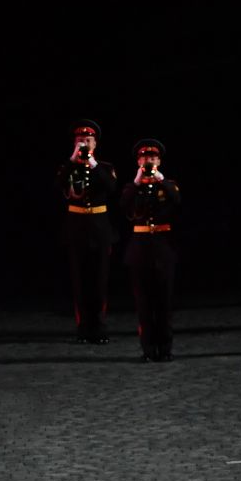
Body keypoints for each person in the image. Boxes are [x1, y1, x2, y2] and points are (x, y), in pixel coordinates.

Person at [118, 138, 180, 361]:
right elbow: (123, 206)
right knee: (144, 304)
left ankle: (165, 349)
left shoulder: (168, 184)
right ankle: (147, 350)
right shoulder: (131, 187)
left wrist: (161, 181)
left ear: (159, 161)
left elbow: (177, 201)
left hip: (163, 249)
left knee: (164, 303)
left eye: (152, 158)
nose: (149, 162)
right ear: (138, 162)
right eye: (145, 159)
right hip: (140, 251)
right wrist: (136, 183)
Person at [58, 119, 118, 343]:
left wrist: (92, 164)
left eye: (87, 141)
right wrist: (72, 161)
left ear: (95, 144)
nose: (83, 144)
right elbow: (58, 185)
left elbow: (111, 188)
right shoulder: (69, 166)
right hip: (76, 229)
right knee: (80, 282)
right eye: (80, 141)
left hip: (99, 230)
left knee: (99, 282)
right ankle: (83, 328)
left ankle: (99, 328)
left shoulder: (105, 167)